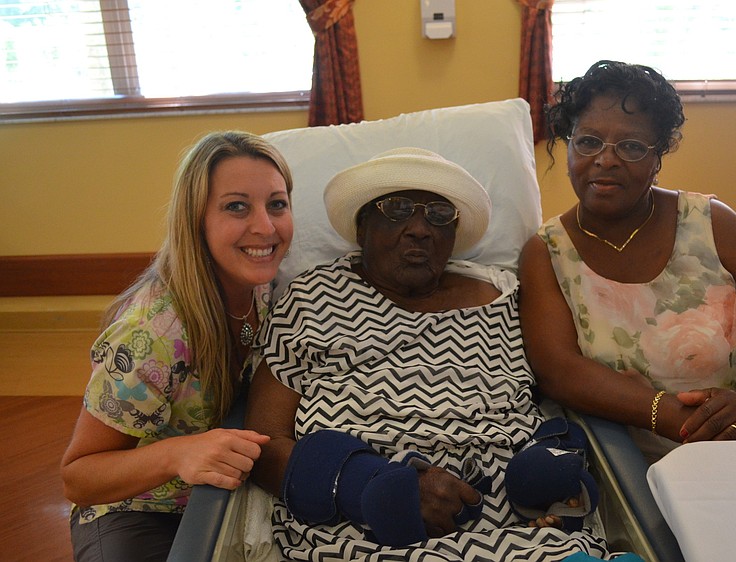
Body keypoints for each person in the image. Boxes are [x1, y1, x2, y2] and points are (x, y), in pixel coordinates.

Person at [245, 147, 618, 561]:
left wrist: (552, 464)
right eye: (397, 209)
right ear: (362, 226)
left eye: (439, 215)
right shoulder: (311, 299)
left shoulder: (505, 295)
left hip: (529, 530)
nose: (420, 229)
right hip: (365, 533)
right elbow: (262, 444)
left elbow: (558, 380)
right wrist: (372, 486)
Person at [519, 60, 736, 464]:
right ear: (569, 145)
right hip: (644, 468)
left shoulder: (713, 223)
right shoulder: (546, 252)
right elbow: (558, 372)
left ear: (658, 157)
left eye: (631, 147)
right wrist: (670, 414)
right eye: (588, 141)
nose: (606, 159)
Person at [61, 130, 294, 561]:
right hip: (138, 507)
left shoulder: (270, 288)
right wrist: (176, 454)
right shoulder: (153, 334)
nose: (266, 227)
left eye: (277, 204)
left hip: (228, 492)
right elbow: (79, 477)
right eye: (237, 206)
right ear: (195, 220)